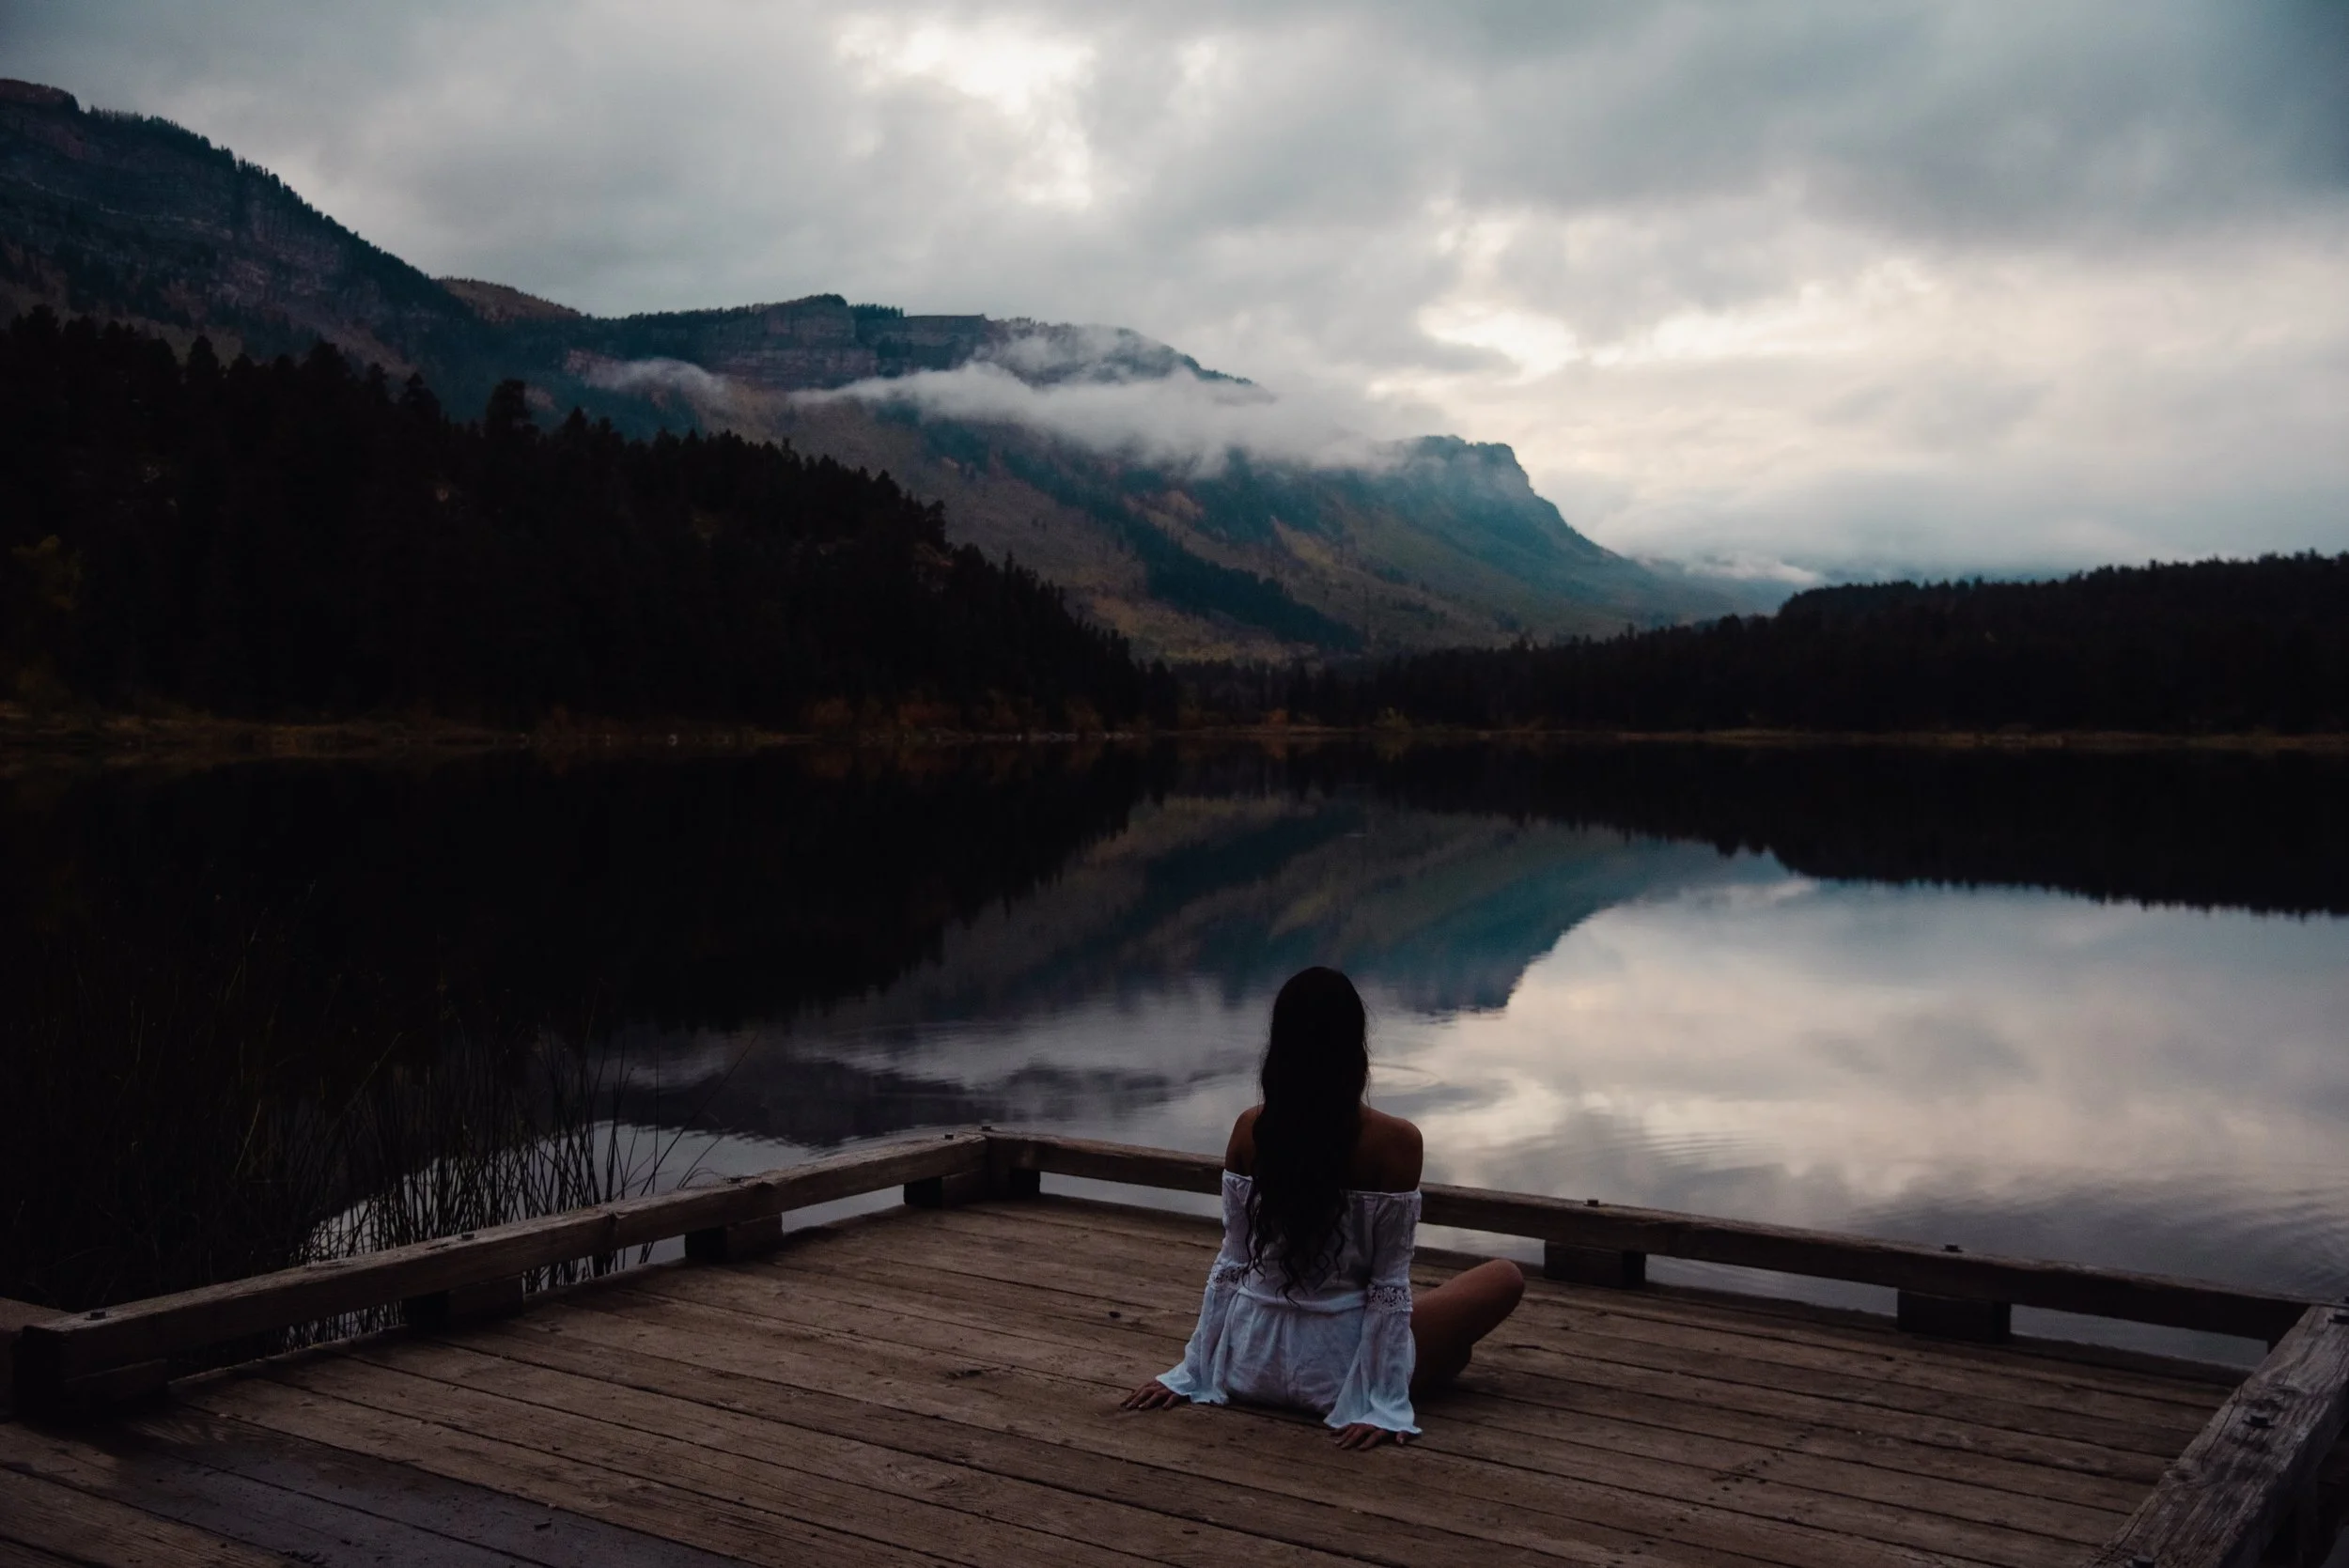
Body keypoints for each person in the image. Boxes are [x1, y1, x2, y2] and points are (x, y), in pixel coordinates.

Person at [1120, 966, 1525, 1449]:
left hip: (1248, 1362)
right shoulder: (1395, 1142)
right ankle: (1416, 1371)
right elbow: (1387, 1288)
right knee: (1503, 1277)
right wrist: (1381, 1399)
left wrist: (1194, 1369)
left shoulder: (1251, 1129)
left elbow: (1230, 1266)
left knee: (1453, 1355)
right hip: (1336, 1376)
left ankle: (1433, 1362)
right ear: (1355, 1048)